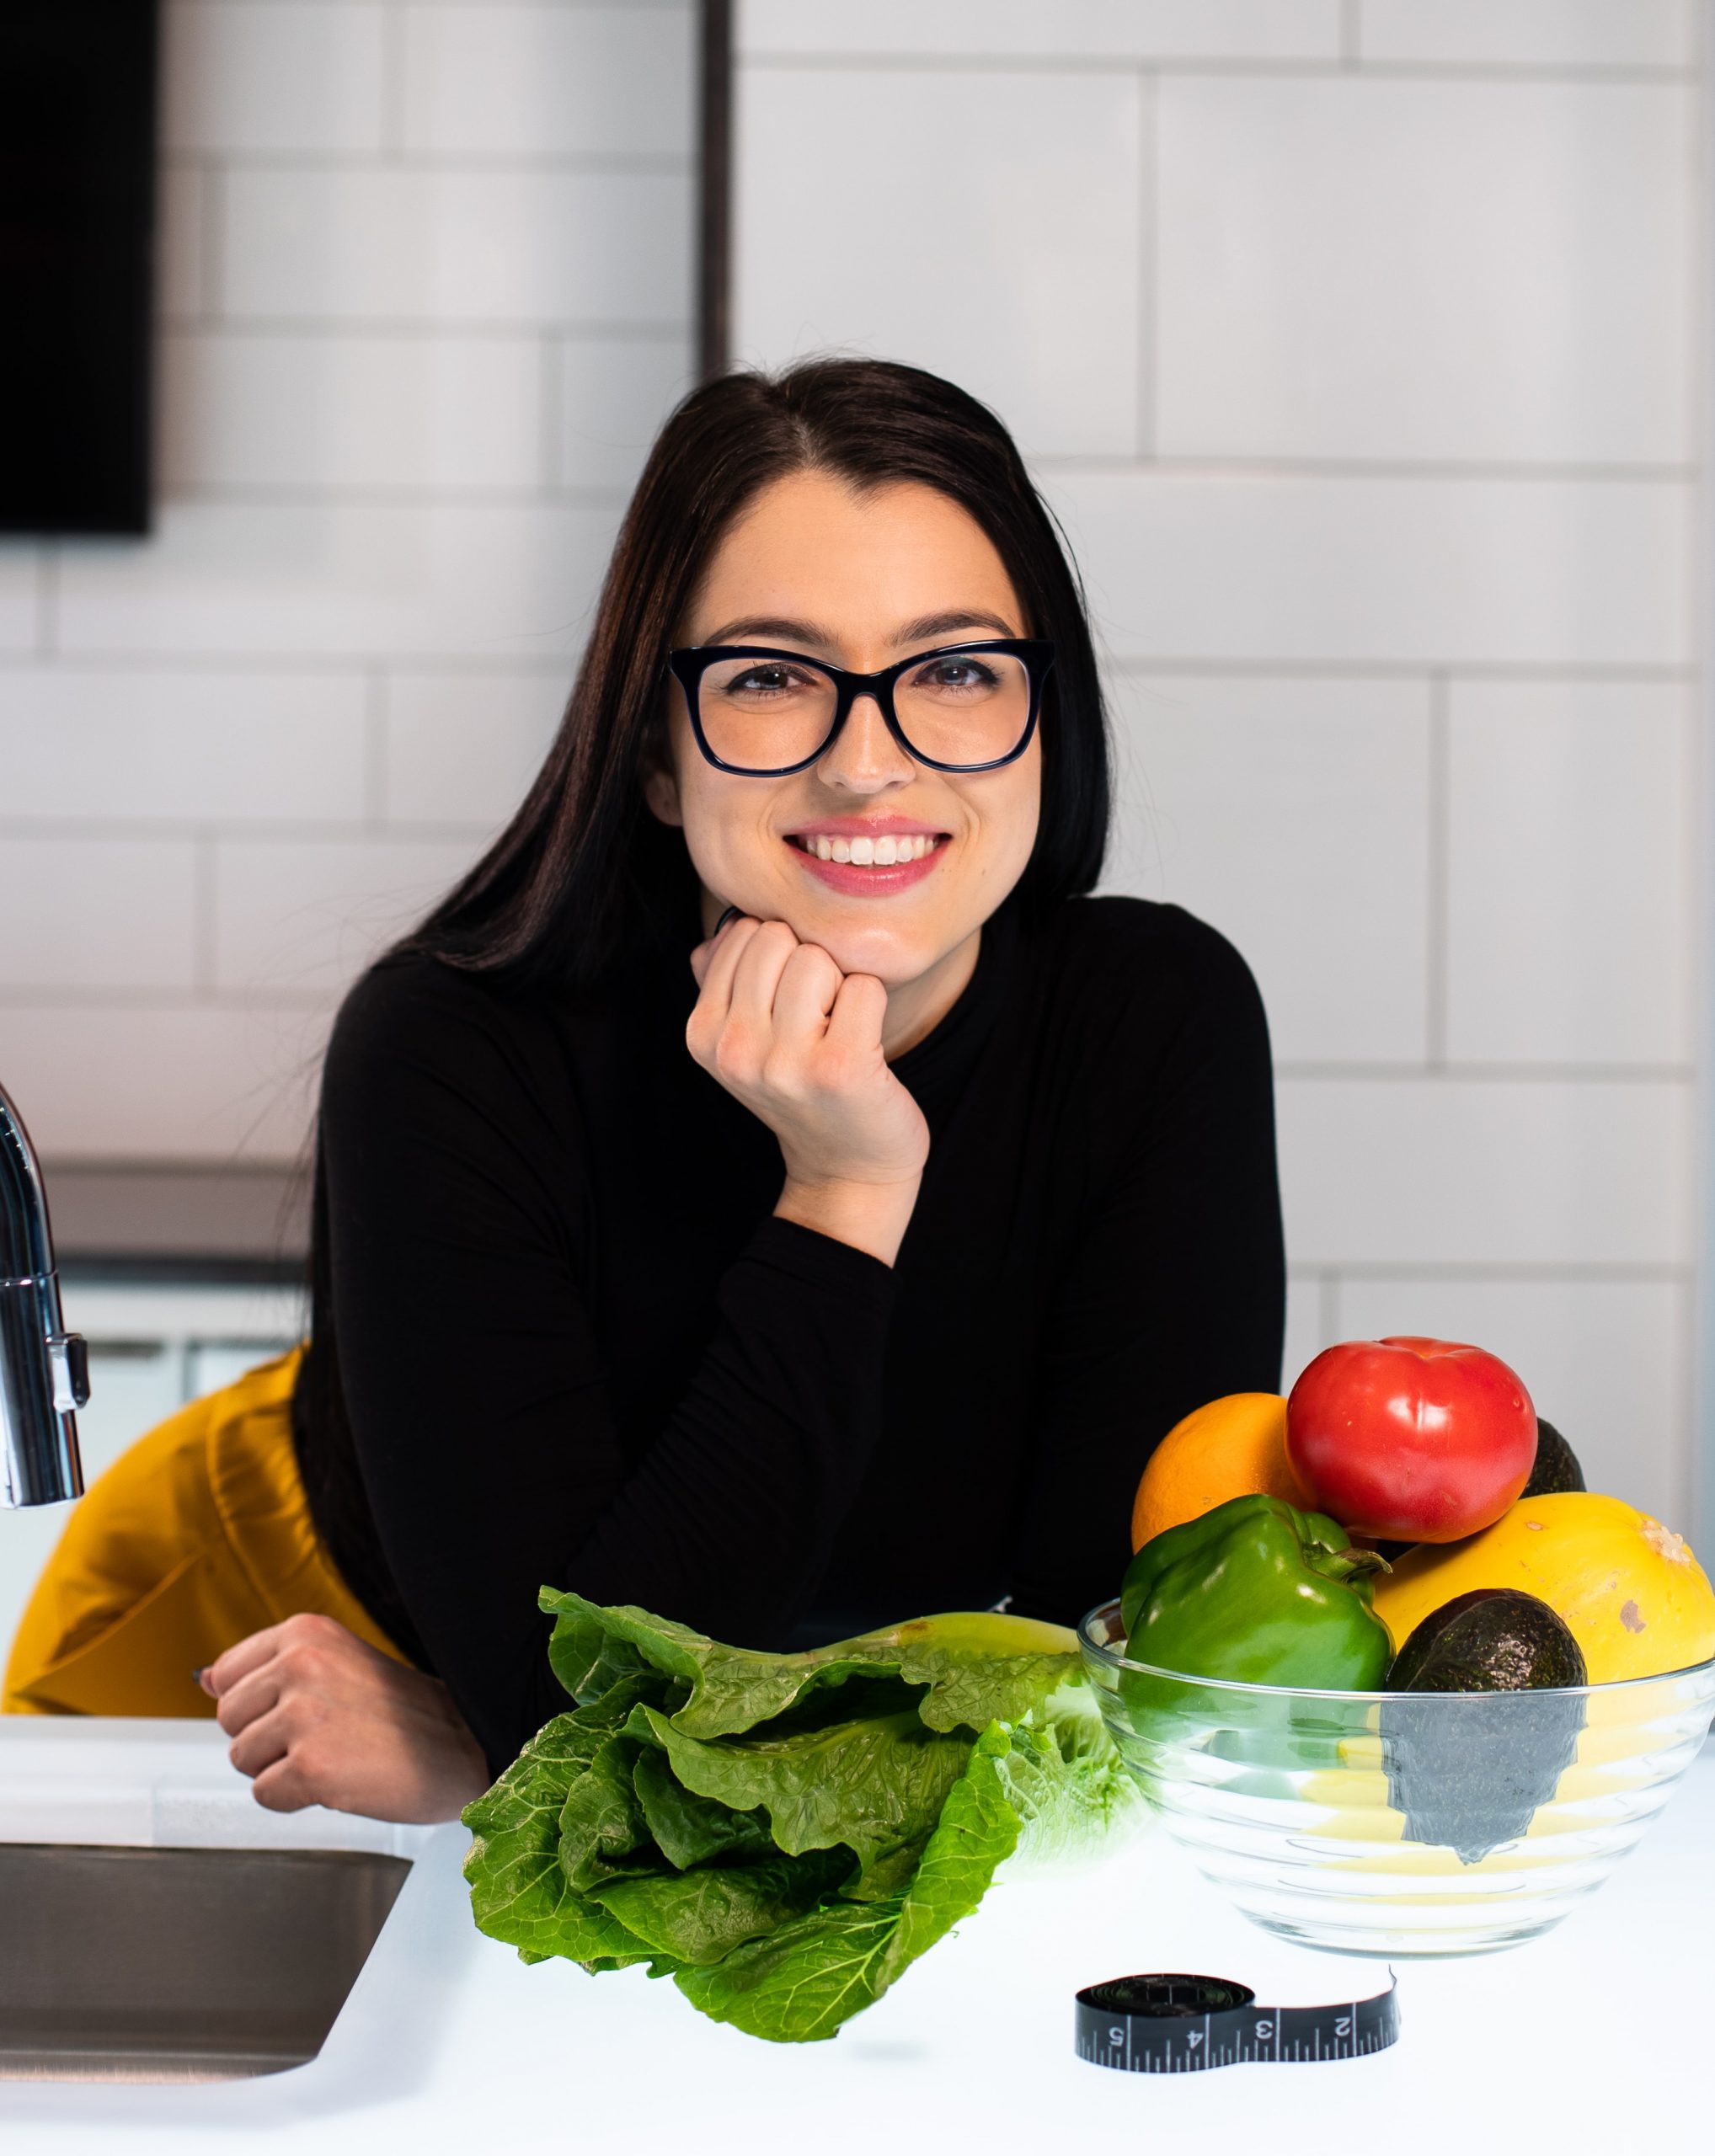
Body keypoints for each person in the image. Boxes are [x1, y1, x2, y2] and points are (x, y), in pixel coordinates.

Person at [4, 360, 1285, 1820]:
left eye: (954, 670)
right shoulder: (449, 1050)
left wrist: (495, 1742)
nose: (870, 762)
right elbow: (582, 1727)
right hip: (274, 1643)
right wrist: (844, 1194)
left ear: (1046, 718)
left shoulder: (1155, 1019)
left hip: (532, 1719)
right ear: (660, 756)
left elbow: (1111, 1698)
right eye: (768, 677)